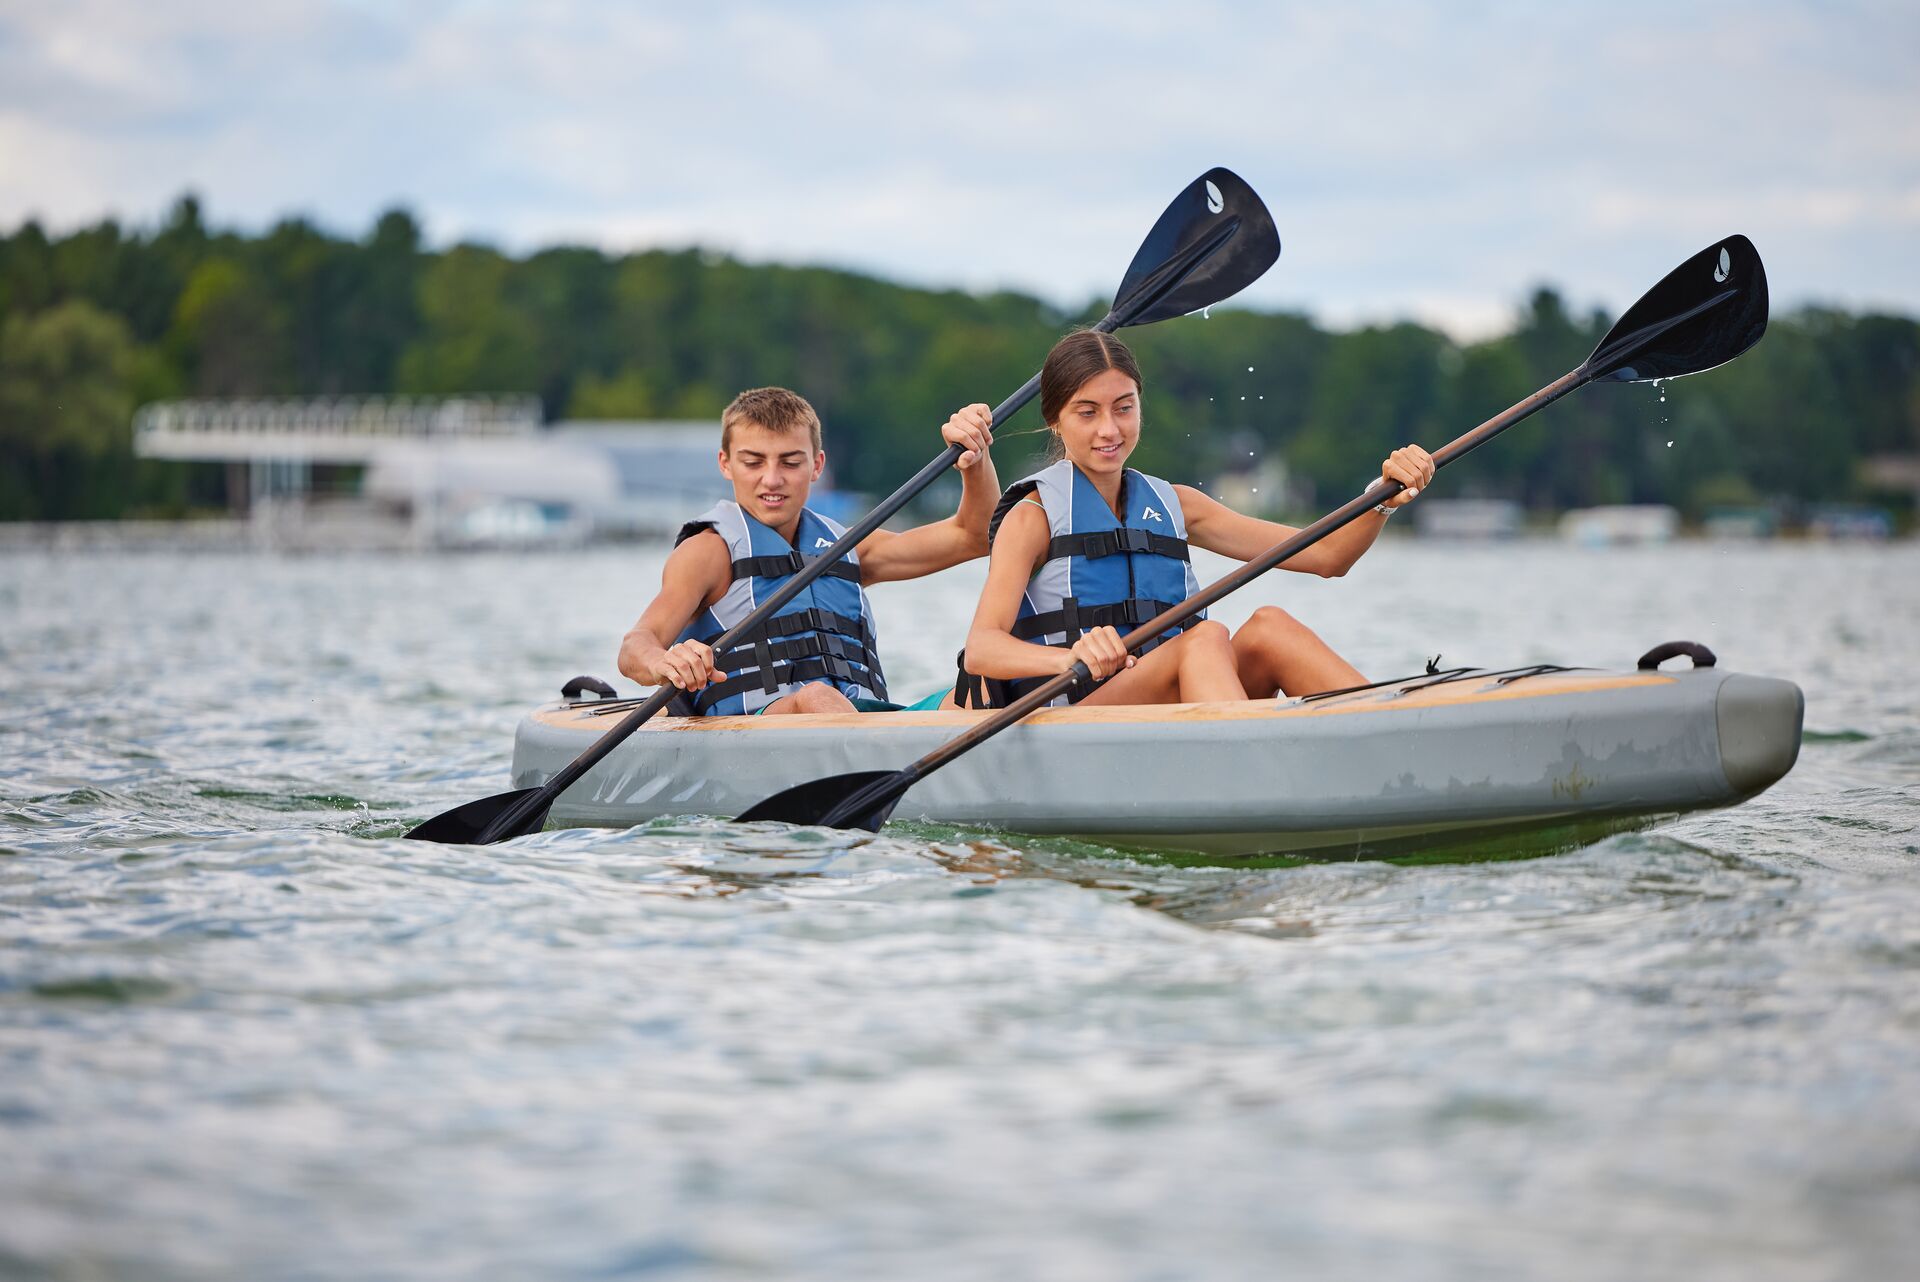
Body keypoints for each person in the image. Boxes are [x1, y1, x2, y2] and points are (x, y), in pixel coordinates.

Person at [955, 330, 1435, 709]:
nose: (1109, 429)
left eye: (1124, 408)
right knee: (1203, 638)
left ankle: (1397, 733)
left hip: (1175, 705)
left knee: (1271, 627)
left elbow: (1328, 555)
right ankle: (1253, 781)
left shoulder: (1177, 504)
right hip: (1081, 713)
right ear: (1056, 420)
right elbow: (983, 648)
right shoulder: (1033, 516)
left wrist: (1383, 497)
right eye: (1087, 412)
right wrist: (1071, 656)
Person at [619, 386, 996, 715]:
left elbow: (974, 536)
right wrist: (666, 661)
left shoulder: (848, 546)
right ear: (726, 464)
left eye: (790, 461)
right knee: (817, 697)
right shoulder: (709, 551)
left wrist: (975, 459)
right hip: (764, 725)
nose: (772, 479)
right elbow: (636, 646)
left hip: (866, 717)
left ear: (816, 465)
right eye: (753, 462)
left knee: (984, 690)